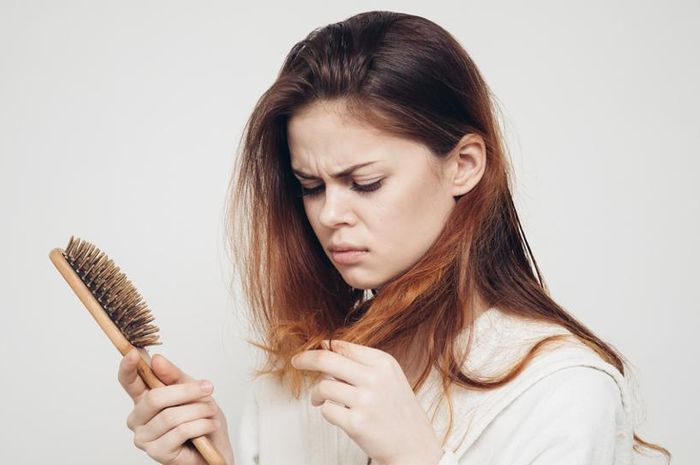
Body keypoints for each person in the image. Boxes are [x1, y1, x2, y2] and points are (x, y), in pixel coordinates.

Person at [117, 10, 671, 465]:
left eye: (366, 182)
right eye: (310, 187)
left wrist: (417, 458)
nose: (331, 213)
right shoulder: (295, 382)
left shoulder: (560, 389)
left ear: (464, 165)